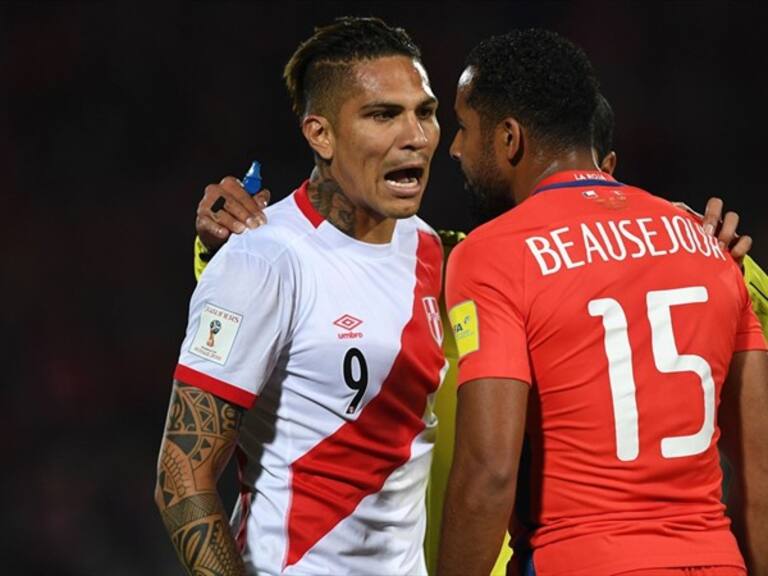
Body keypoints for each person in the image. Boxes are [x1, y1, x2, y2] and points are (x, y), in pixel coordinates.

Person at [437, 28, 768, 576]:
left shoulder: (494, 254)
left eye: (465, 129)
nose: (453, 147)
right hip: (715, 560)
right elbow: (757, 474)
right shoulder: (711, 245)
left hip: (581, 558)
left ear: (509, 139)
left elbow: (489, 472)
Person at [155, 17, 447, 575]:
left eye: (425, 112)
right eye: (383, 114)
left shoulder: (432, 251)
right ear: (321, 134)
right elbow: (179, 479)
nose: (415, 135)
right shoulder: (263, 260)